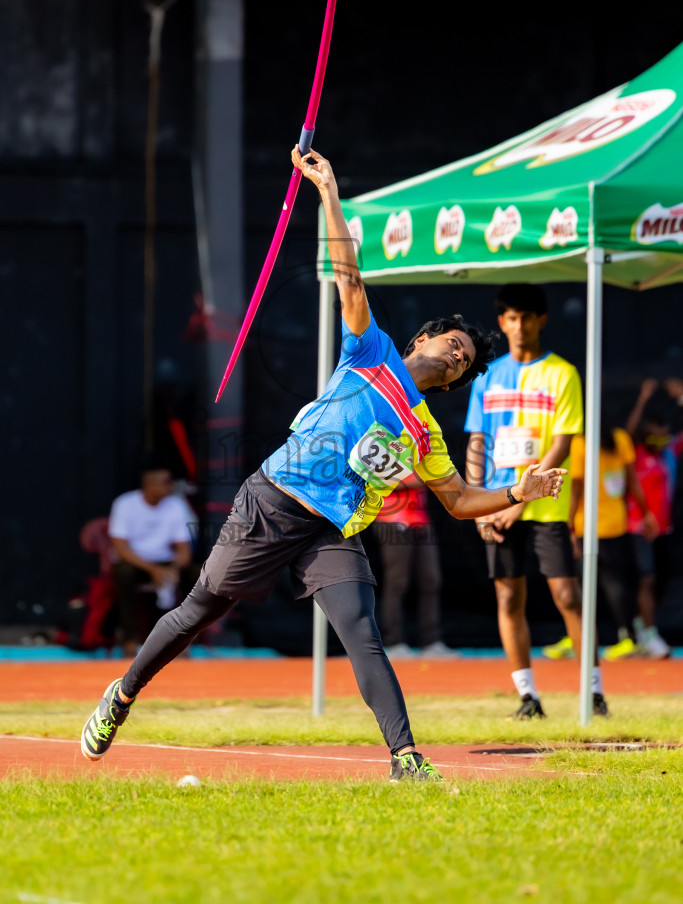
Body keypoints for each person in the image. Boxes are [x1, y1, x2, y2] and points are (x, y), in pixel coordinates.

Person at [81, 148, 567, 781]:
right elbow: (350, 278)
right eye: (452, 343)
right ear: (421, 340)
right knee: (200, 609)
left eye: (464, 360)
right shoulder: (373, 351)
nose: (456, 356)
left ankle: (406, 759)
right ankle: (121, 695)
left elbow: (458, 500)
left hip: (331, 531)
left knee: (362, 631)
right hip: (273, 499)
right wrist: (329, 191)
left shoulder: (426, 433)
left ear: (455, 383)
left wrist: (517, 490)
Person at [465, 283, 608, 719]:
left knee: (567, 595)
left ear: (541, 320)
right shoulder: (487, 375)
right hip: (495, 503)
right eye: (511, 317)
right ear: (501, 323)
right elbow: (477, 438)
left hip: (543, 505)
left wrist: (520, 501)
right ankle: (528, 698)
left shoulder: (562, 373)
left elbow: (563, 443)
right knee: (508, 598)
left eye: (527, 316)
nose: (519, 325)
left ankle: (594, 692)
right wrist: (476, 502)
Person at [565, 418, 658, 660]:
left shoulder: (579, 443)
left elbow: (576, 487)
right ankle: (622, 636)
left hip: (589, 524)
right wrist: (646, 513)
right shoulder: (620, 438)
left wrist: (569, 524)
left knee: (592, 584)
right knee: (613, 582)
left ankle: (625, 637)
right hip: (616, 523)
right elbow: (632, 480)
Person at [109, 462, 195, 656]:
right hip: (136, 562)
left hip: (165, 561)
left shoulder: (176, 505)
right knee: (123, 573)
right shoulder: (125, 504)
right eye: (166, 482)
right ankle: (129, 640)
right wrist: (153, 570)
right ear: (149, 484)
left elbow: (184, 551)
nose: (171, 486)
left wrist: (172, 569)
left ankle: (182, 639)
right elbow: (121, 549)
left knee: (199, 575)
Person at [625, 379, 683, 658]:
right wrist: (643, 399)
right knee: (645, 579)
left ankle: (640, 625)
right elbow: (629, 432)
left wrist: (681, 397)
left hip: (665, 530)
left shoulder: (669, 454)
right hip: (638, 528)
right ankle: (647, 634)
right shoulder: (634, 454)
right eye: (652, 434)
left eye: (662, 434)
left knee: (660, 581)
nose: (658, 438)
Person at [374, 473, 459, 659]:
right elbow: (375, 481)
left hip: (420, 519)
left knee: (431, 580)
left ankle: (431, 642)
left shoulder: (420, 447)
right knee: (398, 583)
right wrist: (420, 480)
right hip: (392, 518)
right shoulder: (380, 445)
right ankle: (393, 643)